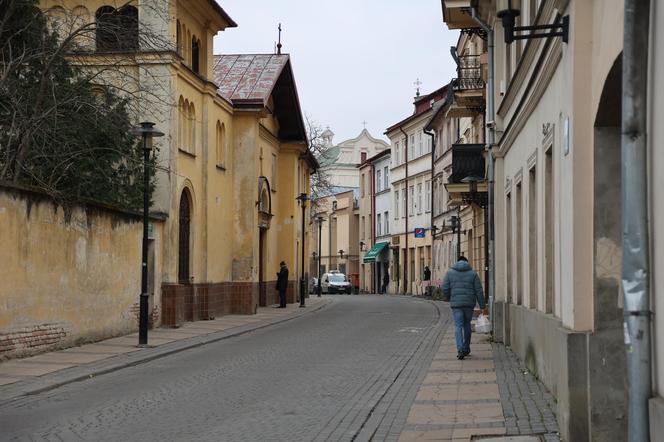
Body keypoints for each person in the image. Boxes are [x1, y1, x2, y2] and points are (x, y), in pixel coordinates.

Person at [441, 256, 486, 360]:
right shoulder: (473, 274)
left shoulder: (450, 273)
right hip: (469, 304)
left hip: (456, 304)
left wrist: (449, 297)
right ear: (467, 262)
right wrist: (482, 306)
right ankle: (466, 348)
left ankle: (460, 349)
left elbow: (444, 287)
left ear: (457, 262)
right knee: (467, 325)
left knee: (457, 326)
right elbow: (479, 290)